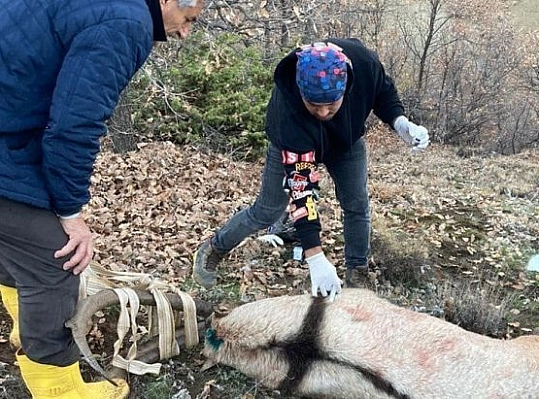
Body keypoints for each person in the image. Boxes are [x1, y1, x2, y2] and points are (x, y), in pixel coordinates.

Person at [0, 0, 203, 397]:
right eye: (188, 19)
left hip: (11, 133)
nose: (184, 32)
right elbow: (74, 127)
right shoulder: (125, 23)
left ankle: (28, 329)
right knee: (56, 258)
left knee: (17, 237)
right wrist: (70, 211)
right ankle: (59, 389)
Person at [192, 39, 429, 300]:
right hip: (294, 144)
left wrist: (400, 122)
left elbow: (382, 91)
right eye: (314, 105)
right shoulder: (288, 112)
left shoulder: (363, 64)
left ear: (346, 86)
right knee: (267, 210)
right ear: (302, 91)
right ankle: (214, 248)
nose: (324, 112)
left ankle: (357, 272)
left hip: (345, 143)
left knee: (356, 204)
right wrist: (315, 257)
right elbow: (302, 189)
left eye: (331, 104)